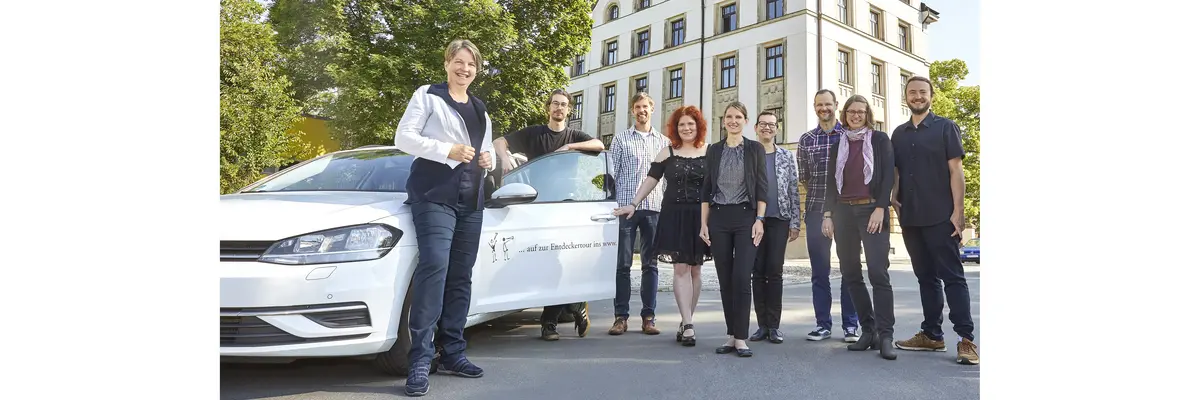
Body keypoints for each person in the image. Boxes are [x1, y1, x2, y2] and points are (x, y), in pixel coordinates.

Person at [392, 39, 493, 397]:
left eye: (472, 65)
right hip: (434, 195)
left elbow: (488, 149)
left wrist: (487, 160)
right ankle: (419, 359)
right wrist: (446, 150)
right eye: (459, 62)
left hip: (471, 200)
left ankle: (453, 352)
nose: (465, 69)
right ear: (447, 62)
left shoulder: (480, 108)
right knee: (434, 267)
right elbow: (403, 137)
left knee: (460, 276)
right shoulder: (428, 95)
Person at [492, 89, 604, 341]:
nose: (559, 109)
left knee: (561, 262)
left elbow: (599, 144)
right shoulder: (534, 134)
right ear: (548, 107)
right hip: (537, 206)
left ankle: (550, 323)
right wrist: (504, 158)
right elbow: (499, 141)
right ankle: (575, 306)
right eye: (555, 104)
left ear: (569, 110)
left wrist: (570, 147)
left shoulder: (574, 135)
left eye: (564, 105)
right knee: (543, 264)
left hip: (566, 207)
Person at [890, 76, 980, 365]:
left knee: (953, 277)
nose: (917, 96)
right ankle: (932, 335)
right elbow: (898, 171)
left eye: (922, 92)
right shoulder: (899, 134)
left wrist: (958, 212)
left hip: (941, 215)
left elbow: (956, 172)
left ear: (931, 96)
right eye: (912, 93)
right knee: (925, 278)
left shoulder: (945, 128)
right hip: (911, 217)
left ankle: (966, 340)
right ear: (906, 97)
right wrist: (893, 195)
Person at [613, 105, 710, 347]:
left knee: (696, 270)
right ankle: (688, 324)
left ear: (698, 127)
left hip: (701, 217)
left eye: (690, 124)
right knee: (680, 269)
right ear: (675, 129)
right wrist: (633, 203)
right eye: (681, 125)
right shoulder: (666, 151)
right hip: (674, 215)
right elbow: (651, 180)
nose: (686, 128)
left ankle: (687, 319)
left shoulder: (710, 152)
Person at [821, 95, 897, 360]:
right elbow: (832, 182)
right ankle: (869, 330)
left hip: (871, 209)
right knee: (850, 272)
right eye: (851, 112)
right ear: (845, 115)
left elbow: (888, 175)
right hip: (843, 212)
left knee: (878, 271)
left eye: (861, 112)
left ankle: (886, 335)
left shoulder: (879, 139)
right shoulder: (837, 144)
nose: (856, 116)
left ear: (868, 115)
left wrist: (880, 206)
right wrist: (828, 214)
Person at [700, 101, 768, 358]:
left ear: (745, 121)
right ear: (723, 121)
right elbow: (706, 189)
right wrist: (703, 223)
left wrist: (759, 219)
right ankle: (731, 335)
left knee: (741, 277)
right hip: (718, 218)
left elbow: (762, 187)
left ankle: (741, 337)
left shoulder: (755, 149)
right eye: (729, 116)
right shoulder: (714, 150)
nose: (733, 120)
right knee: (725, 278)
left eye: (738, 117)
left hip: (745, 218)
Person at [796, 90, 860, 342]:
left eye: (828, 104)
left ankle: (850, 325)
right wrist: (822, 209)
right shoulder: (806, 139)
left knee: (849, 269)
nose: (824, 108)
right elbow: (803, 177)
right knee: (819, 270)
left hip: (847, 211)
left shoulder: (849, 135)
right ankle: (823, 324)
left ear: (836, 106)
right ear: (815, 107)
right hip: (814, 209)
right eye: (819, 105)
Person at [607, 92, 670, 336]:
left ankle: (649, 317)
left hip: (654, 209)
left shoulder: (663, 142)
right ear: (632, 111)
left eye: (645, 106)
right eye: (637, 107)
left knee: (650, 265)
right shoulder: (621, 139)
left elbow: (664, 179)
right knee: (622, 264)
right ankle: (620, 317)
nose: (641, 110)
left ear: (652, 109)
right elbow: (613, 175)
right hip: (626, 209)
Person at [748, 110, 801, 344]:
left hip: (779, 219)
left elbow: (793, 189)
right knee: (757, 272)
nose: (767, 128)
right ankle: (761, 325)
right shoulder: (749, 154)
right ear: (756, 128)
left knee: (774, 271)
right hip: (754, 221)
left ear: (777, 129)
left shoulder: (787, 156)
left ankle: (774, 326)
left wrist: (795, 222)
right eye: (763, 124)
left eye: (772, 124)